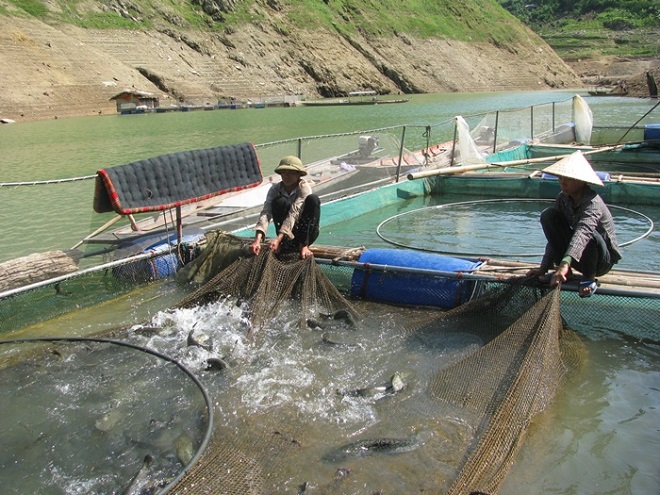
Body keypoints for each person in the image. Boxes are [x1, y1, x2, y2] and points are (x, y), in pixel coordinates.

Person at [526, 151, 622, 298]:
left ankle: (589, 277)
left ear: (581, 180)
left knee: (589, 234)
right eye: (560, 178)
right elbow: (554, 236)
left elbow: (583, 233)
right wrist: (543, 268)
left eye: (568, 179)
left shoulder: (592, 202)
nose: (563, 182)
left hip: (601, 261)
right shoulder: (563, 198)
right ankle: (567, 271)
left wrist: (564, 263)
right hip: (578, 257)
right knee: (549, 215)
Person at [249, 155, 320, 259]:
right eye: (284, 173)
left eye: (291, 173)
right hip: (285, 233)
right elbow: (266, 212)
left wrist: (278, 238)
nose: (287, 176)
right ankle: (284, 243)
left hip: (305, 232)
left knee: (313, 199)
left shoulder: (304, 188)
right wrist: (257, 240)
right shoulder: (275, 189)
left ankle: (303, 245)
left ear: (298, 174)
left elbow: (293, 213)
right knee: (280, 201)